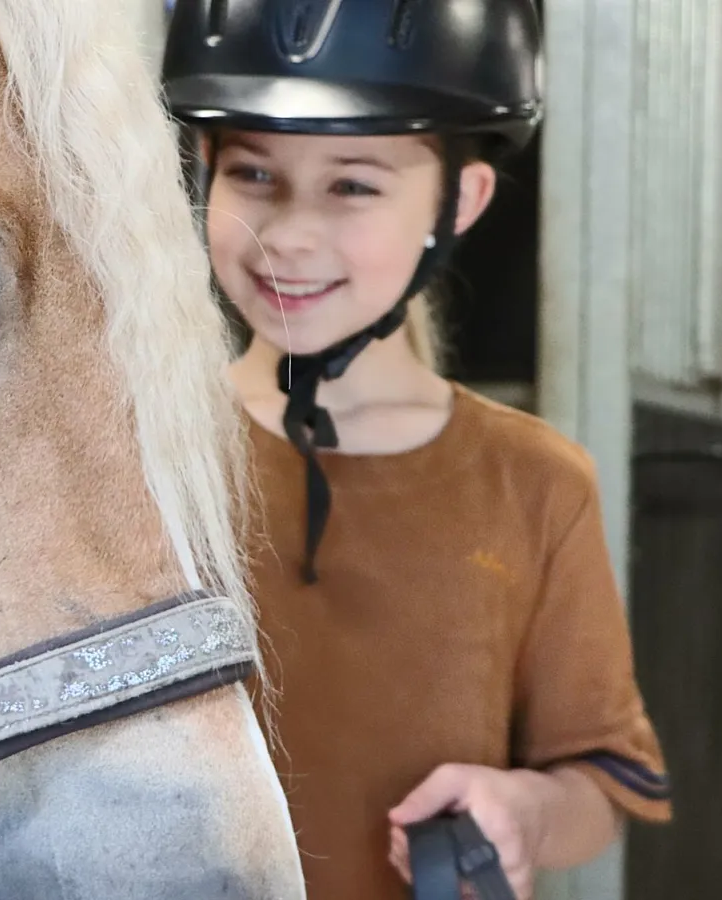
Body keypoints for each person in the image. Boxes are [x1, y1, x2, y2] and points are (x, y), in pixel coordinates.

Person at [161, 1, 673, 897]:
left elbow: (603, 777)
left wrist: (524, 812)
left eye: (352, 185)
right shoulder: (138, 449)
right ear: (205, 169)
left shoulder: (537, 485)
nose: (286, 236)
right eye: (253, 174)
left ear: (459, 200)